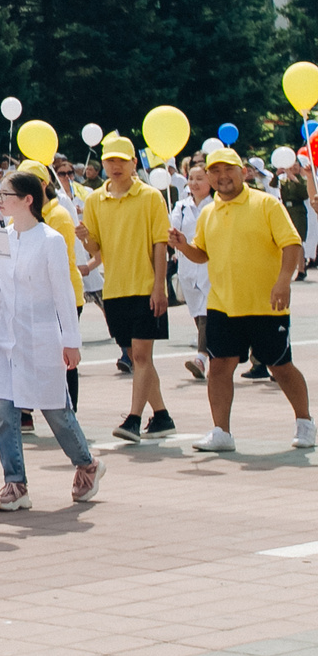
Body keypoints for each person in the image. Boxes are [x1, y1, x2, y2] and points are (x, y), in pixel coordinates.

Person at [0, 170, 103, 508]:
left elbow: (64, 293)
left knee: (55, 410)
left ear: (28, 199)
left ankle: (87, 463)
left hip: (40, 336)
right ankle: (15, 484)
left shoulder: (50, 240)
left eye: (6, 195)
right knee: (3, 413)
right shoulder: (0, 237)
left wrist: (70, 341)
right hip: (4, 339)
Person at [169, 145, 313, 451]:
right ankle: (221, 432)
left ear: (242, 172)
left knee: (280, 365)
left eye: (228, 170)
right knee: (219, 367)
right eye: (215, 171)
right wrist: (183, 246)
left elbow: (291, 244)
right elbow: (202, 253)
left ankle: (305, 422)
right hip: (222, 304)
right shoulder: (208, 212)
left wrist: (283, 282)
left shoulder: (266, 204)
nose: (222, 177)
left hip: (265, 304)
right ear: (208, 176)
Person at [77, 134, 175, 442]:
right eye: (110, 160)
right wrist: (84, 237)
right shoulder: (94, 200)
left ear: (134, 163)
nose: (115, 166)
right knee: (135, 356)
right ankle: (161, 416)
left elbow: (161, 245)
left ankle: (133, 418)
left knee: (142, 356)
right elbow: (97, 247)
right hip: (115, 289)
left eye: (122, 160)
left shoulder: (150, 197)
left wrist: (160, 288)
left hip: (145, 286)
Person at [173, 163, 214, 381]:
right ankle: (211, 353)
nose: (195, 183)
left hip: (210, 266)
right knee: (198, 313)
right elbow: (173, 231)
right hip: (187, 268)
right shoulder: (181, 206)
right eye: (192, 178)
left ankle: (201, 357)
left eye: (200, 179)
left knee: (207, 311)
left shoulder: (216, 205)